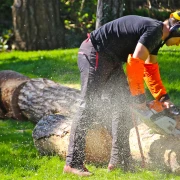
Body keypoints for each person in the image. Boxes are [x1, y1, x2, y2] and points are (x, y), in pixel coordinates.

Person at [63, 11, 180, 176]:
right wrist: (139, 97)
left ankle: (121, 160)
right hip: (95, 52)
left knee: (123, 107)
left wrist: (163, 98)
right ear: (177, 29)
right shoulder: (155, 30)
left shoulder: (157, 36)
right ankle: (72, 163)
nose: (177, 45)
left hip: (112, 60)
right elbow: (135, 63)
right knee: (88, 105)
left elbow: (149, 69)